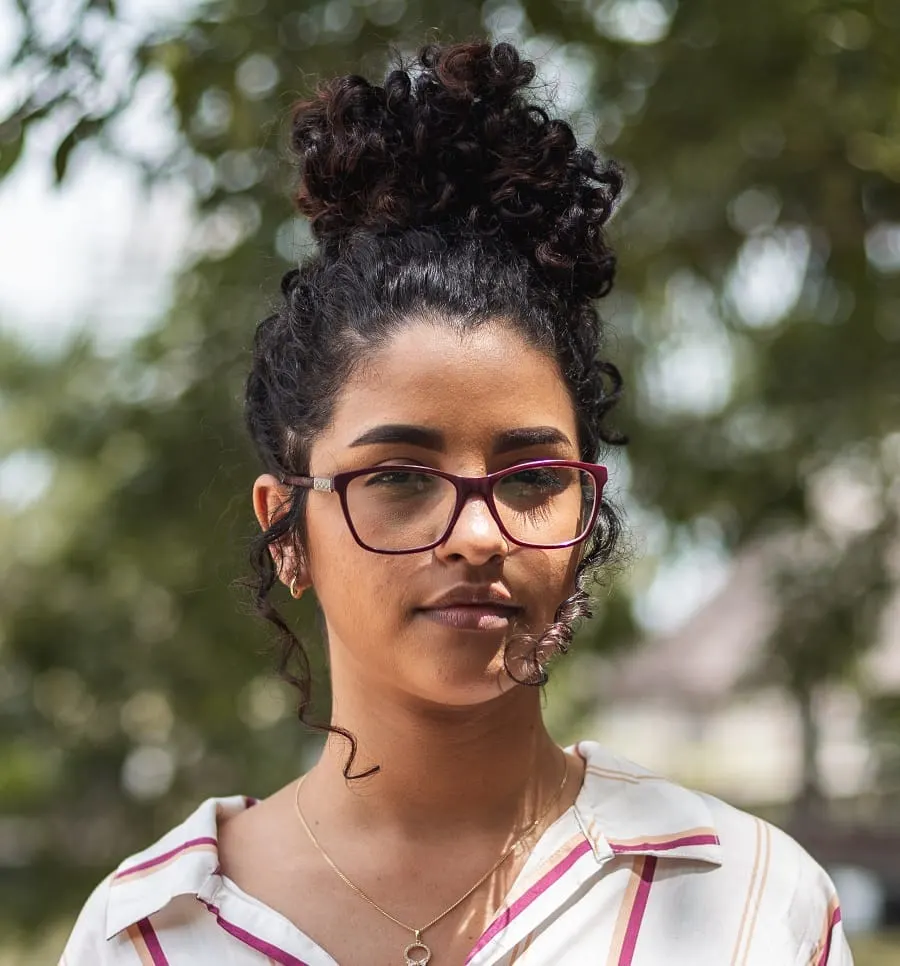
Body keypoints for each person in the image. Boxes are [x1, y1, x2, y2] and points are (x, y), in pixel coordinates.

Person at [60, 40, 852, 966]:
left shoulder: (750, 905)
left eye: (530, 479)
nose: (478, 534)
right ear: (287, 531)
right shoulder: (153, 934)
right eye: (397, 476)